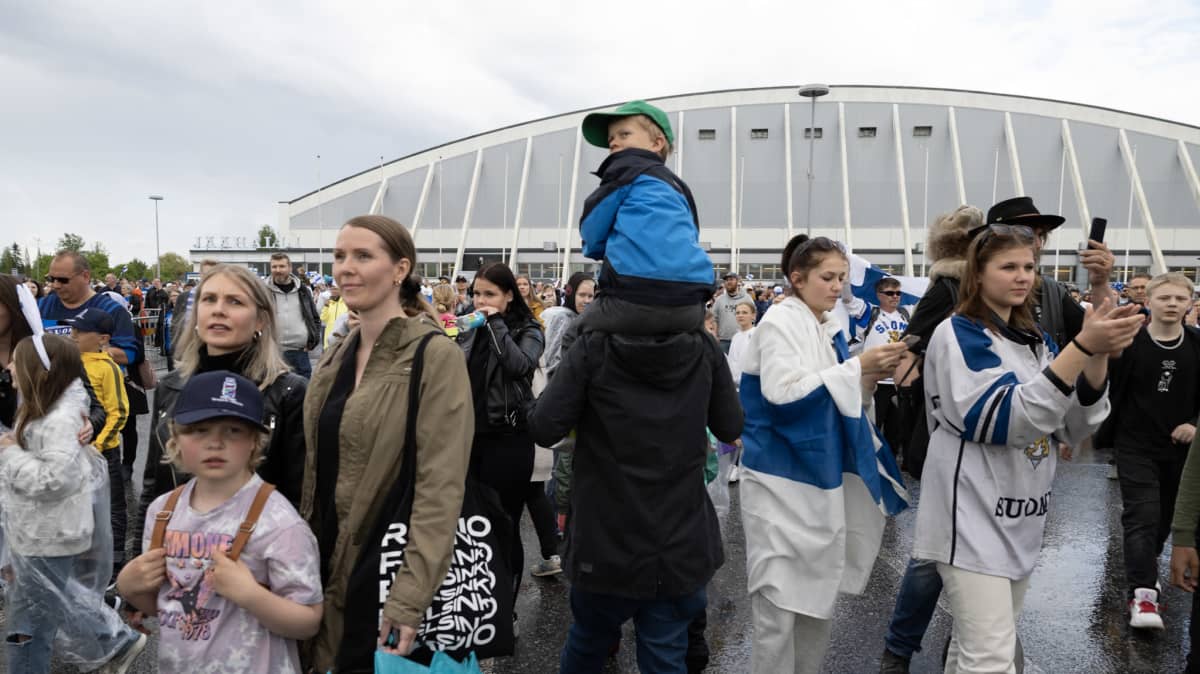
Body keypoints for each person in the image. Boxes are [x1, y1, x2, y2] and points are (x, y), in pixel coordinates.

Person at [912, 223, 1140, 673]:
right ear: (977, 274)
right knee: (991, 658)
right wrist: (1081, 346)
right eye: (1008, 267)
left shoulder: (1037, 340)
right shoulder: (957, 334)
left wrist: (1095, 353)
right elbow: (1002, 420)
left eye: (1029, 267)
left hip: (1020, 519)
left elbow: (1075, 424)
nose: (1022, 276)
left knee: (974, 649)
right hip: (970, 521)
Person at [530, 264, 742, 674]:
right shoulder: (703, 345)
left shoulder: (592, 345)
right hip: (678, 535)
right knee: (665, 650)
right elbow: (731, 426)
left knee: (588, 643)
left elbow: (544, 426)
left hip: (603, 536)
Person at [300, 215, 473, 668]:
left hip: (386, 568)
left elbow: (441, 487)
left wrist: (410, 597)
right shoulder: (338, 353)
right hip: (323, 562)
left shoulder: (435, 355)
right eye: (340, 256)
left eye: (362, 256)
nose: (345, 268)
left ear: (400, 269)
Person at [738, 235, 908, 673]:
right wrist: (859, 368)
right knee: (777, 606)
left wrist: (868, 378)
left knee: (816, 599)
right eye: (827, 278)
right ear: (797, 279)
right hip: (777, 482)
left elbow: (842, 394)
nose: (837, 287)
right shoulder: (779, 322)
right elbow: (784, 395)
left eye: (842, 279)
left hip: (816, 476)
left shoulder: (825, 325)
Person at [118, 371, 322, 672]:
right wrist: (130, 587)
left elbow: (308, 621)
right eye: (199, 430)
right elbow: (172, 607)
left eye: (233, 431)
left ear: (255, 441)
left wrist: (250, 595)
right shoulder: (163, 512)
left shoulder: (279, 523)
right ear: (175, 438)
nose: (215, 443)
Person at [0, 333, 148, 673]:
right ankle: (116, 640)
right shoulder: (44, 409)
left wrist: (9, 454)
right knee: (53, 597)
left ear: (39, 371)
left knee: (29, 626)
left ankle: (114, 641)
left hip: (49, 533)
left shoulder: (58, 420)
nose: (9, 368)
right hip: (40, 530)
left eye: (16, 363)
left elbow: (54, 480)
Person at [133, 264, 309, 547]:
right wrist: (139, 562)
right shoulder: (171, 387)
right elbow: (155, 484)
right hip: (176, 559)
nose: (219, 310)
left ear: (261, 320)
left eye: (235, 301)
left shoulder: (288, 392)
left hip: (256, 558)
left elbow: (300, 496)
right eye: (209, 299)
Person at [1091, 272, 1200, 629]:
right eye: (1164, 297)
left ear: (1189, 304)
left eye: (1179, 299)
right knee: (1142, 515)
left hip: (1180, 448)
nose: (1171, 304)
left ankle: (1145, 568)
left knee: (1165, 519)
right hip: (1133, 443)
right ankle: (1143, 596)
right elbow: (1101, 382)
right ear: (1148, 301)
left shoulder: (1197, 343)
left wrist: (1195, 426)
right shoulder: (1131, 341)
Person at [576, 99, 714, 339]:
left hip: (632, 298)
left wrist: (597, 250)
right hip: (691, 302)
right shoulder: (679, 187)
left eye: (624, 134)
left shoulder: (623, 172)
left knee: (574, 334)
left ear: (656, 143)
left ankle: (563, 376)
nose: (614, 142)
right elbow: (693, 232)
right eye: (610, 139)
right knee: (704, 346)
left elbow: (591, 230)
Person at [457, 262, 544, 629]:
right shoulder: (468, 327)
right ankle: (475, 601)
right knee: (470, 524)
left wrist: (494, 323)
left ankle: (503, 607)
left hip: (507, 439)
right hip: (467, 437)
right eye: (476, 293)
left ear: (510, 295)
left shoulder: (529, 329)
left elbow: (518, 365)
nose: (480, 300)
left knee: (503, 524)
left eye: (489, 294)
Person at [66, 309, 130, 580]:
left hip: (105, 452)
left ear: (102, 338)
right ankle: (85, 556)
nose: (73, 335)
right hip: (75, 451)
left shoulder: (108, 368)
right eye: (73, 330)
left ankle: (115, 560)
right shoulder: (68, 362)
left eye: (80, 332)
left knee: (112, 506)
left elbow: (119, 412)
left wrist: (100, 445)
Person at [843, 276, 916, 457]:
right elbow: (847, 299)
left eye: (898, 293)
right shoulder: (870, 312)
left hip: (899, 381)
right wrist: (845, 277)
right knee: (872, 425)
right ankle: (867, 460)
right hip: (876, 382)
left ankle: (890, 465)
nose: (895, 297)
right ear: (879, 295)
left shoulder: (905, 314)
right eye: (890, 293)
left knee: (896, 430)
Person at [266, 253, 321, 378]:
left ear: (290, 268)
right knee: (275, 393)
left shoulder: (303, 291)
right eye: (274, 267)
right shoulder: (263, 290)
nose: (278, 270)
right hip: (274, 353)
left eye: (282, 266)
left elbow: (314, 318)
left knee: (303, 393)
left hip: (300, 353)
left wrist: (313, 340)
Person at [713, 273, 748, 351]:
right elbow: (714, 318)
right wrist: (715, 335)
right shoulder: (719, 300)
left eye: (731, 279)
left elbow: (753, 317)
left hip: (741, 339)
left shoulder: (746, 298)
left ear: (738, 281)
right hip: (723, 341)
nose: (728, 282)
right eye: (726, 280)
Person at [318, 283, 349, 348]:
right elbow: (323, 318)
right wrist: (326, 306)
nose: (333, 291)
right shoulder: (329, 303)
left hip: (342, 339)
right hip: (329, 338)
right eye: (331, 289)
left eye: (335, 289)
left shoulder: (346, 303)